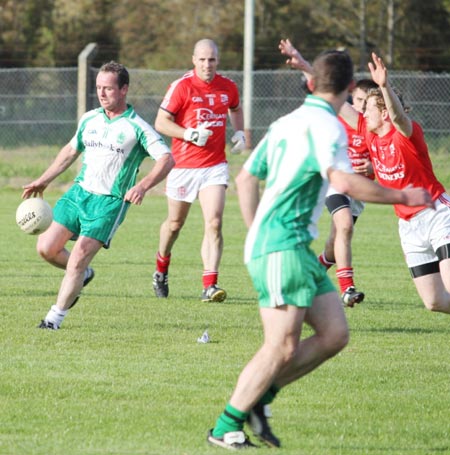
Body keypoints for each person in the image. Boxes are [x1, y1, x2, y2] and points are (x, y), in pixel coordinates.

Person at [206, 49, 432, 449]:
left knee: (334, 334)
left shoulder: (286, 122)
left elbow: (245, 180)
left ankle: (261, 400)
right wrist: (402, 194)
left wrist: (255, 231)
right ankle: (227, 425)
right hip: (281, 246)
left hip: (293, 248)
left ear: (312, 84)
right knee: (281, 345)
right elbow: (343, 181)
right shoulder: (327, 127)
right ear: (349, 88)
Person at [22, 61, 174, 330]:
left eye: (108, 88)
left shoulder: (137, 127)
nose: (102, 93)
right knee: (45, 249)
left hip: (109, 203)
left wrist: (143, 185)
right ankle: (83, 275)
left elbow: (166, 159)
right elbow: (70, 152)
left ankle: (53, 319)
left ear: (124, 89)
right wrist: (43, 180)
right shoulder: (90, 118)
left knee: (78, 256)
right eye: (98, 88)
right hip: (78, 194)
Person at [338, 52, 450, 315]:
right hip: (408, 225)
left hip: (437, 215)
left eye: (368, 109)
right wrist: (313, 73)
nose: (362, 113)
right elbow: (340, 106)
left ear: (385, 113)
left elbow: (399, 118)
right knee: (434, 302)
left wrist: (384, 86)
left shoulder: (407, 135)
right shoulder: (370, 134)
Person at [280, 39, 377, 307]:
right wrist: (303, 63)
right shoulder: (349, 118)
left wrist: (373, 167)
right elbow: (324, 86)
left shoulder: (376, 130)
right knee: (344, 225)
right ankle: (348, 288)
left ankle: (314, 273)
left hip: (358, 191)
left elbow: (390, 162)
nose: (360, 106)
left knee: (335, 245)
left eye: (366, 103)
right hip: (336, 182)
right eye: (357, 100)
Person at [152, 38, 246, 302]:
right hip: (183, 167)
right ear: (194, 60)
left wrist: (239, 131)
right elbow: (160, 122)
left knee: (214, 222)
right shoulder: (181, 87)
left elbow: (235, 108)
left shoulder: (228, 86)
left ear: (218, 60)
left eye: (212, 59)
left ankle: (210, 285)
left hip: (214, 166)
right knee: (174, 225)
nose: (207, 64)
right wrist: (189, 134)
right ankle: (161, 268)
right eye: (202, 59)